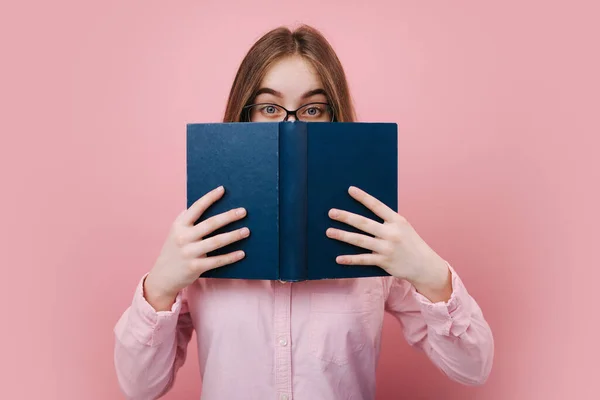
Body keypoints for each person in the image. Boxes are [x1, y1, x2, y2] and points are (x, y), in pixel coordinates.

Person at [113, 24, 494, 400]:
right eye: (269, 108)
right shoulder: (203, 238)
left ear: (335, 117)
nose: (290, 125)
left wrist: (432, 275)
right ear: (244, 115)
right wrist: (158, 289)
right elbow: (139, 387)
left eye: (313, 109)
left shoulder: (374, 239)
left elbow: (473, 369)